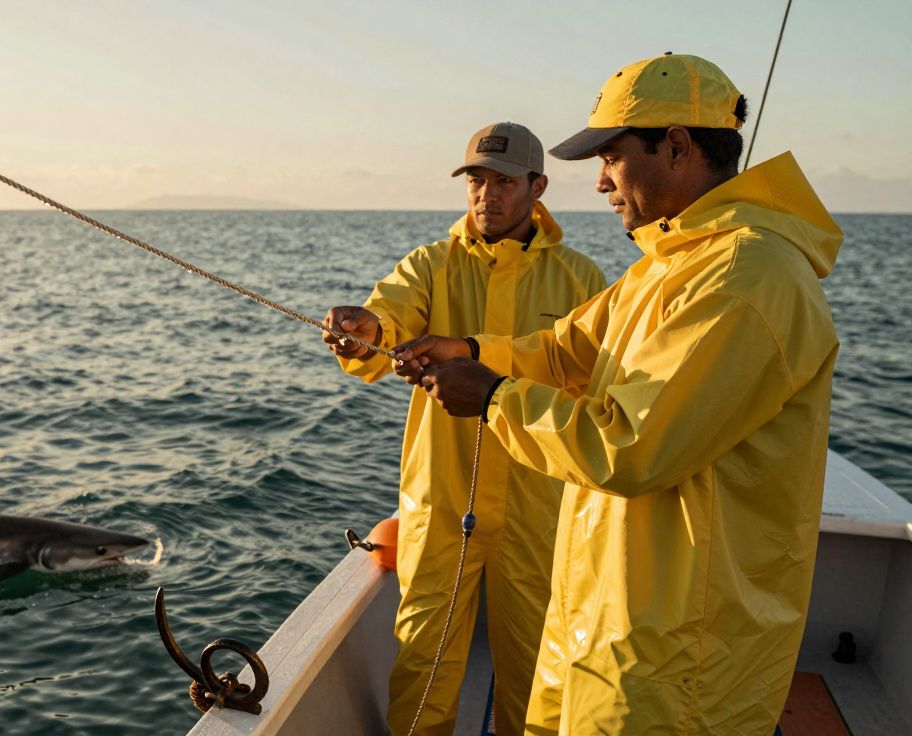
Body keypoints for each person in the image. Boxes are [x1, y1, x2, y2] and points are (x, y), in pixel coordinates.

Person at [394, 53, 844, 734]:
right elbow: (563, 350)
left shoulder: (747, 277)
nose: (602, 181)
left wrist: (490, 397)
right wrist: (470, 352)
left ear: (677, 146)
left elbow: (629, 445)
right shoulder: (670, 266)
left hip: (678, 659)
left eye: (611, 157)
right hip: (607, 627)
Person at [322, 122, 605, 735]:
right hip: (441, 502)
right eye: (476, 180)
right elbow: (388, 319)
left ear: (538, 187)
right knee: (423, 663)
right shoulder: (429, 264)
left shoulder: (582, 280)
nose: (486, 196)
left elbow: (599, 381)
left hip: (539, 509)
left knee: (537, 669)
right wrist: (367, 331)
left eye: (503, 181)